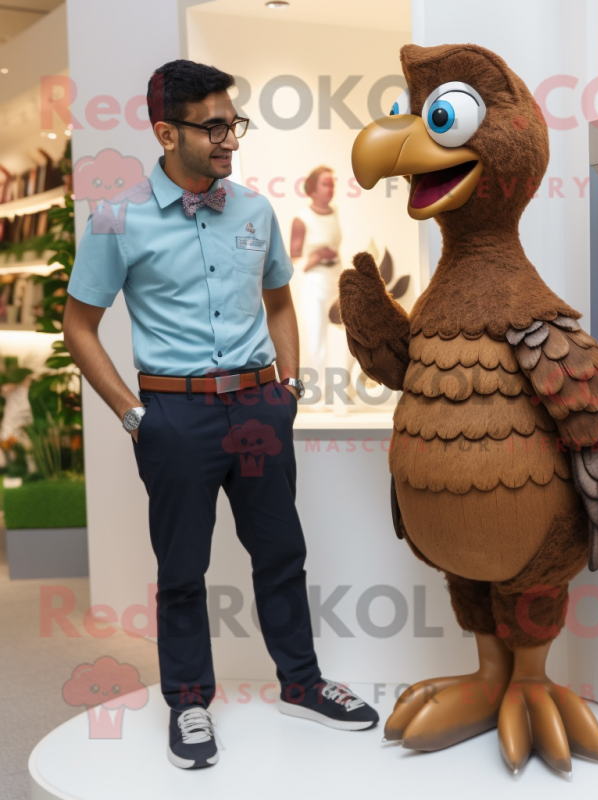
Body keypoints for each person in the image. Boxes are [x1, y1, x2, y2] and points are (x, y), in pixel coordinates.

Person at [62, 59, 378, 771]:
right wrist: (132, 414)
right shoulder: (117, 216)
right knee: (182, 568)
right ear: (166, 132)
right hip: (174, 419)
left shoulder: (256, 211)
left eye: (233, 122)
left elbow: (279, 302)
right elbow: (78, 324)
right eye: (213, 126)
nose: (230, 137)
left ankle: (301, 682)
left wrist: (287, 387)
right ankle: (189, 703)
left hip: (260, 408)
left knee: (282, 553)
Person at [290, 167, 343, 409]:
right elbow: (295, 261)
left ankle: (336, 391)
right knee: (316, 336)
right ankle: (315, 394)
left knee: (338, 336)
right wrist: (319, 255)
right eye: (325, 184)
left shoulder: (335, 213)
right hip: (313, 283)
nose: (330, 189)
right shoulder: (302, 218)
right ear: (312, 187)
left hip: (335, 280)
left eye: (332, 184)